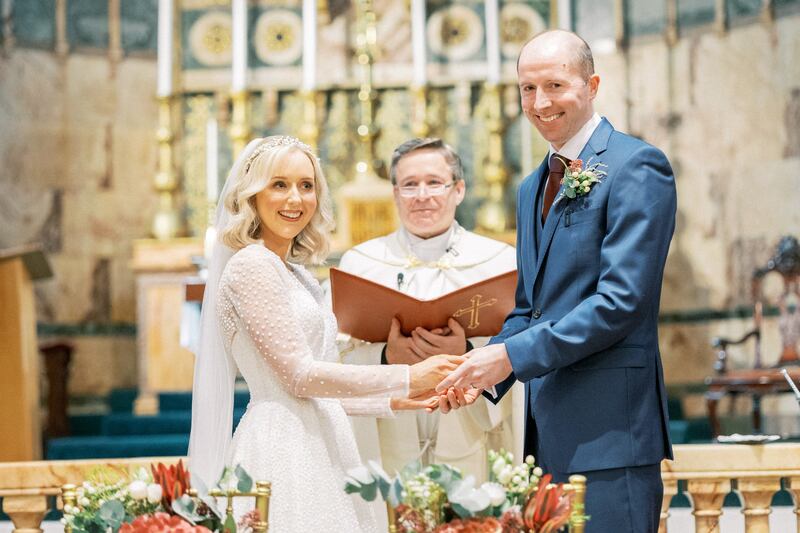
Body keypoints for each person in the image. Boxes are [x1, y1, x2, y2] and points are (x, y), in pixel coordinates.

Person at [438, 30, 676, 532]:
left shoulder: (638, 167)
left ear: (591, 84)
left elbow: (619, 304)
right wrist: (478, 371)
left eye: (555, 85)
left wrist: (510, 357)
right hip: (545, 436)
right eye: (527, 89)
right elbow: (530, 308)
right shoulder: (531, 186)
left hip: (613, 437)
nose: (540, 102)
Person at [188, 135, 463, 532]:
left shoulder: (297, 273)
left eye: (306, 185)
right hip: (283, 449)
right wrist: (409, 375)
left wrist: (400, 400)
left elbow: (318, 392)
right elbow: (299, 377)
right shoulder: (252, 265)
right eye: (279, 184)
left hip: (325, 441)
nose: (295, 199)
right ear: (251, 194)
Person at [331, 138, 522, 529]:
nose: (422, 196)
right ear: (395, 193)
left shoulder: (499, 261)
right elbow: (332, 360)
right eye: (409, 184)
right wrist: (387, 359)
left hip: (471, 441)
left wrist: (467, 351)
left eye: (434, 183)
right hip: (387, 450)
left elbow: (523, 350)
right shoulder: (360, 264)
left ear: (459, 189)